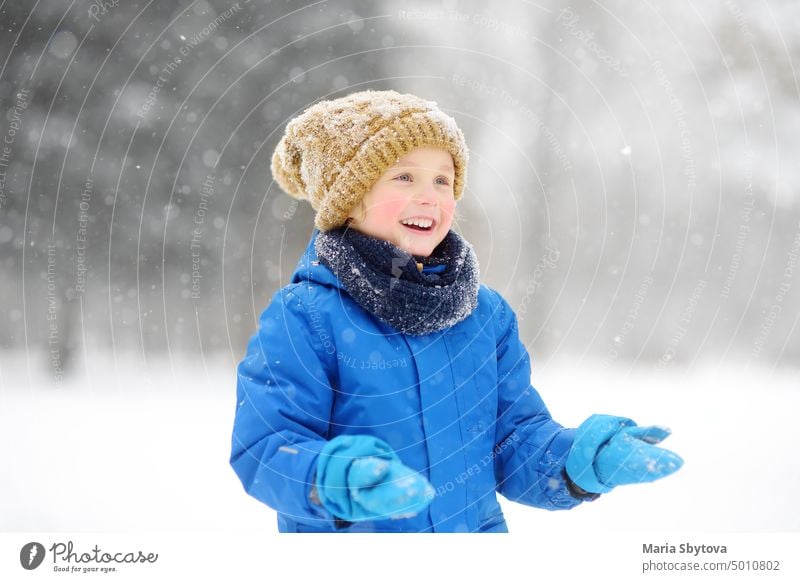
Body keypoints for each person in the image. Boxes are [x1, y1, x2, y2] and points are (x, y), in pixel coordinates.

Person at [229, 90, 683, 533]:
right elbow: (267, 446)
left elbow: (513, 440)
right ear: (348, 200)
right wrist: (332, 479)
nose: (429, 196)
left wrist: (577, 461)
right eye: (404, 177)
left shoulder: (484, 315)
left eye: (442, 180)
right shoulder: (307, 317)